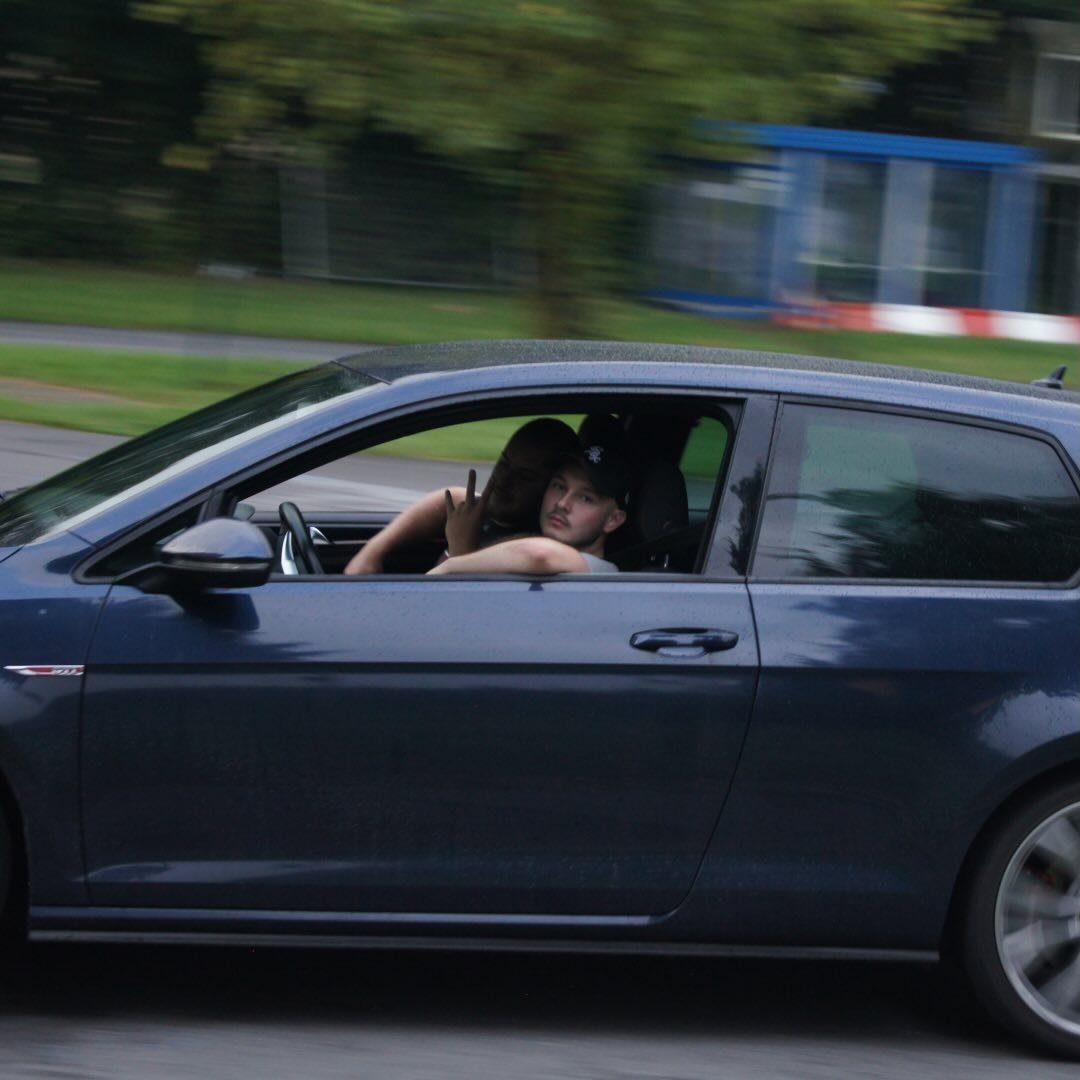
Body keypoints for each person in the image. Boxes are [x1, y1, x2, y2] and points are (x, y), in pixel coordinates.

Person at [344, 417, 578, 574]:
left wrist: (461, 547)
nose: (504, 480)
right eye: (504, 464)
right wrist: (371, 554)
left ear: (552, 490)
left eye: (525, 477)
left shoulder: (533, 549)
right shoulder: (491, 515)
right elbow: (447, 499)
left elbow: (462, 603)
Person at [428, 420, 633, 576]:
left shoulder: (599, 570)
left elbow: (539, 554)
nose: (562, 503)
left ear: (613, 520)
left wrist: (455, 559)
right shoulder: (522, 552)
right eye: (559, 486)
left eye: (585, 498)